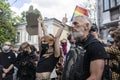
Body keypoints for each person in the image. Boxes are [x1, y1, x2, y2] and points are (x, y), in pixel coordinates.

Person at [71, 15, 107, 80]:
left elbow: (95, 77)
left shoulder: (95, 46)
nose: (72, 26)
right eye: (72, 24)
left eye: (75, 23)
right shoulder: (77, 44)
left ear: (86, 26)